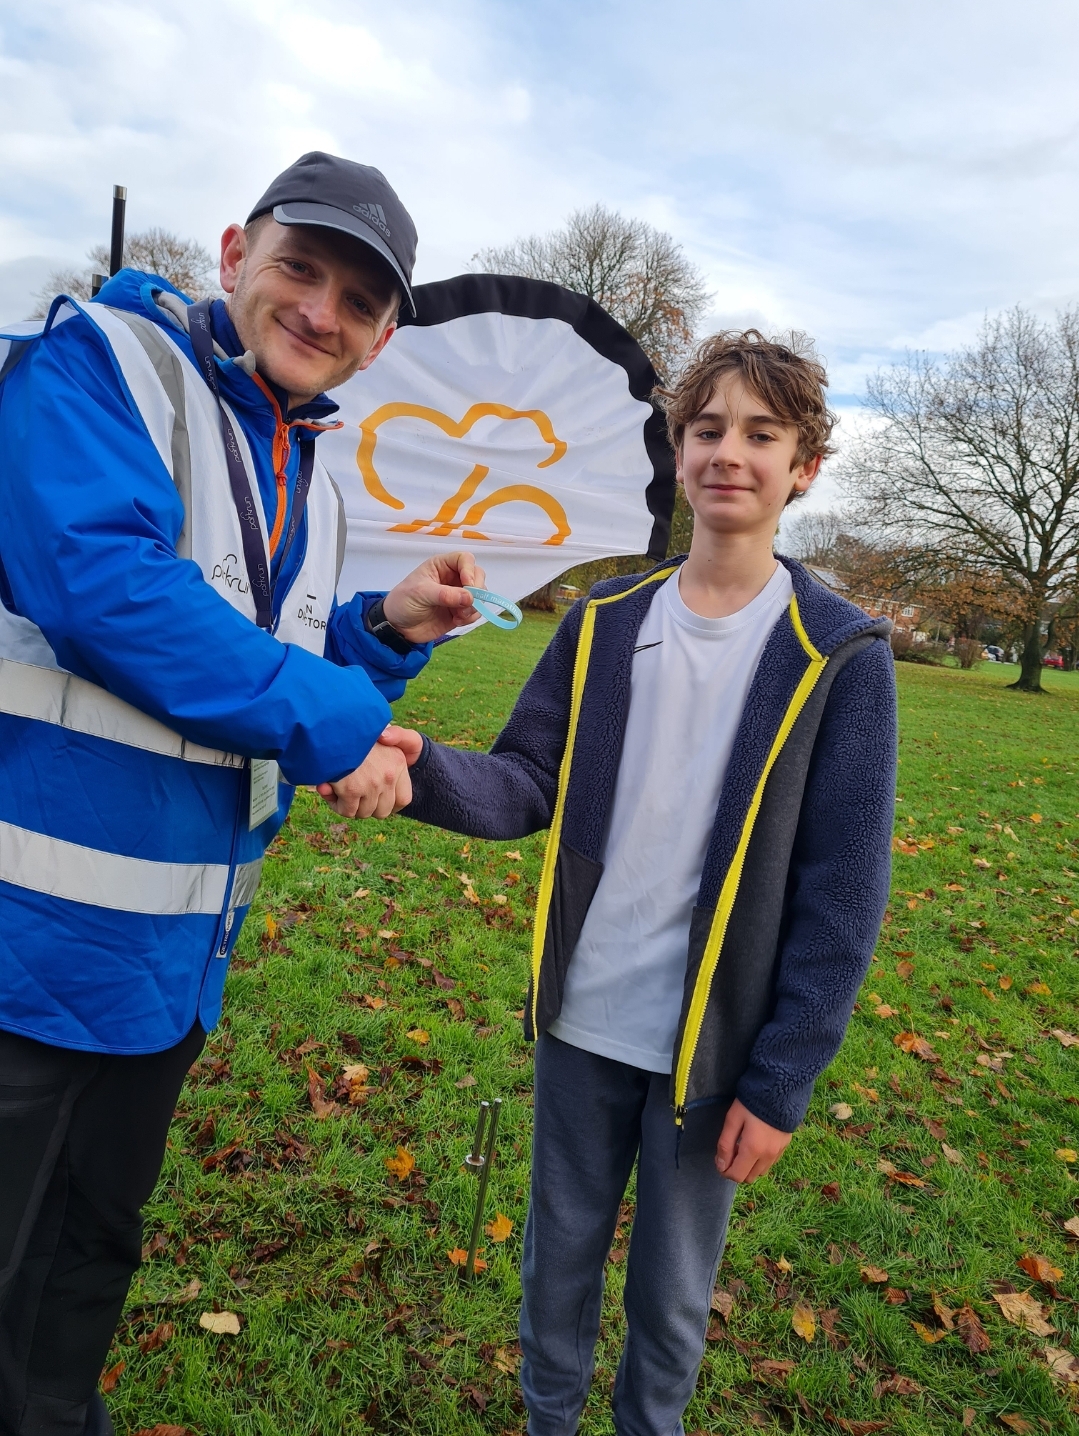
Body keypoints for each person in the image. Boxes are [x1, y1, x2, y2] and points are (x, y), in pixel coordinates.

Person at [0, 151, 483, 1436]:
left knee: (86, 1253)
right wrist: (345, 726)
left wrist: (378, 630)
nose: (322, 311)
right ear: (233, 254)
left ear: (380, 341)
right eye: (300, 268)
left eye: (359, 301)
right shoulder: (104, 361)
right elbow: (105, 592)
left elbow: (261, 651)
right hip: (23, 946)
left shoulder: (306, 469)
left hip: (167, 963)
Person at [381, 331, 898, 1436]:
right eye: (705, 428)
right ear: (675, 450)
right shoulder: (607, 621)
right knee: (554, 1260)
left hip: (713, 1053)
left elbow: (841, 891)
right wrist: (418, 765)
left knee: (667, 1300)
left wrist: (781, 1077)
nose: (728, 452)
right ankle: (546, 1418)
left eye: (761, 434)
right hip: (582, 1018)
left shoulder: (838, 652)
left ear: (801, 466)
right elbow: (525, 781)